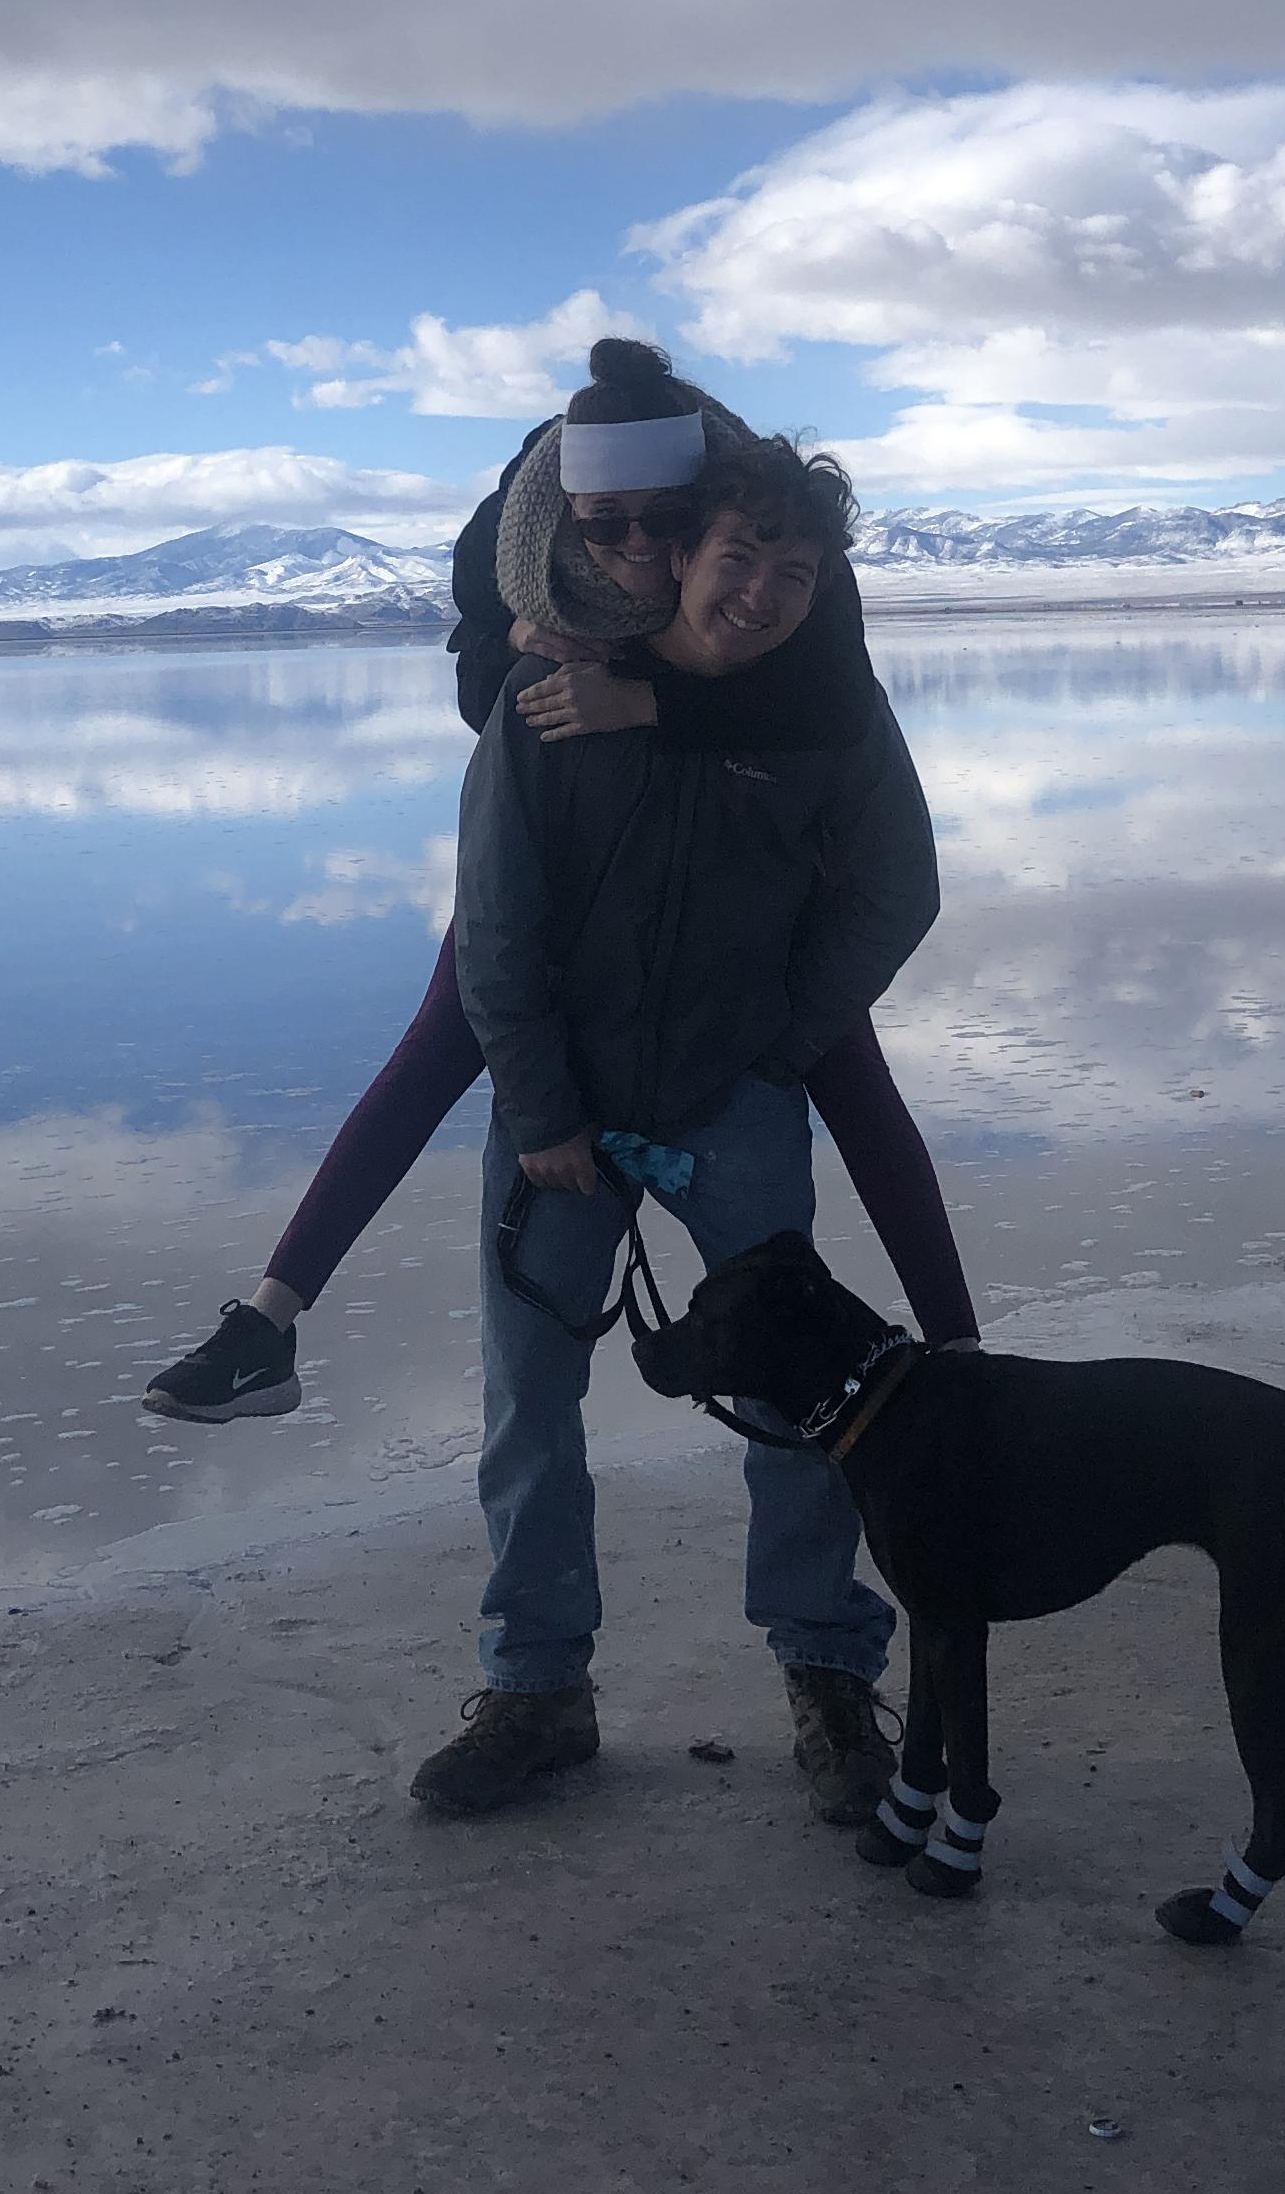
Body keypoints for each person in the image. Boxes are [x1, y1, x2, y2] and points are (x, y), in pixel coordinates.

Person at [142, 339, 976, 1422]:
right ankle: (267, 1319)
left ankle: (965, 1360)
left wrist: (651, 706)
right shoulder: (524, 528)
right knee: (450, 1027)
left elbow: (826, 710)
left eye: (659, 521)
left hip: (748, 892)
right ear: (572, 509)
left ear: (699, 509)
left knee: (845, 1070)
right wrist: (528, 652)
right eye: (608, 522)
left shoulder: (776, 544)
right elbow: (481, 674)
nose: (634, 541)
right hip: (579, 865)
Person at [409, 435, 939, 1825]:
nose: (761, 592)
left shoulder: (830, 714)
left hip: (737, 1107)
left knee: (796, 1397)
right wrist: (539, 1112)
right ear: (681, 552)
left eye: (796, 569)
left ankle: (827, 1670)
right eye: (737, 556)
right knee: (530, 1401)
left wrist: (777, 1046)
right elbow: (497, 929)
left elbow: (898, 893)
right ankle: (535, 1687)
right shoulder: (553, 697)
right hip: (557, 1120)